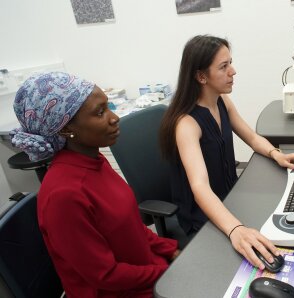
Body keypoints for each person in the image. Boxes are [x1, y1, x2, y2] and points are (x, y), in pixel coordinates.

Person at [10, 72, 179, 297]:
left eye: (108, 106)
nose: (114, 117)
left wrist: (170, 251)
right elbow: (106, 276)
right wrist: (167, 273)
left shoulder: (95, 161)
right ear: (66, 129)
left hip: (147, 274)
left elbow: (132, 227)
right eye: (100, 112)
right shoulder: (64, 195)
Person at [159, 35, 294, 269]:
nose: (233, 71)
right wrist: (236, 230)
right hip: (202, 216)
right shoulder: (187, 125)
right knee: (249, 255)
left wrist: (276, 154)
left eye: (230, 62)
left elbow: (251, 137)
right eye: (224, 67)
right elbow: (200, 187)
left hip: (230, 197)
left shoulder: (222, 101)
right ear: (201, 76)